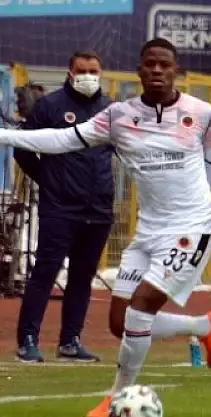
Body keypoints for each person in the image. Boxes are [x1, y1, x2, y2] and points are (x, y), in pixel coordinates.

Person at [0, 38, 211, 417]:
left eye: (165, 65)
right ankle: (204, 326)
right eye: (150, 64)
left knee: (141, 308)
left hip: (192, 227)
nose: (157, 70)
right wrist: (5, 135)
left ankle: (115, 399)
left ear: (176, 71)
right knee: (120, 323)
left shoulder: (202, 114)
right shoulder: (118, 116)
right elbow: (62, 139)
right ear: (139, 71)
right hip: (149, 232)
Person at [13, 51, 113, 364]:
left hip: (98, 209)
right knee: (45, 271)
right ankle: (27, 340)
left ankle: (70, 341)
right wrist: (50, 180)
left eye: (93, 71)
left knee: (82, 277)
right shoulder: (49, 106)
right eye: (81, 70)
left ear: (101, 72)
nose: (88, 76)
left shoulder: (110, 110)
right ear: (70, 72)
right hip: (60, 208)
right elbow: (22, 149)